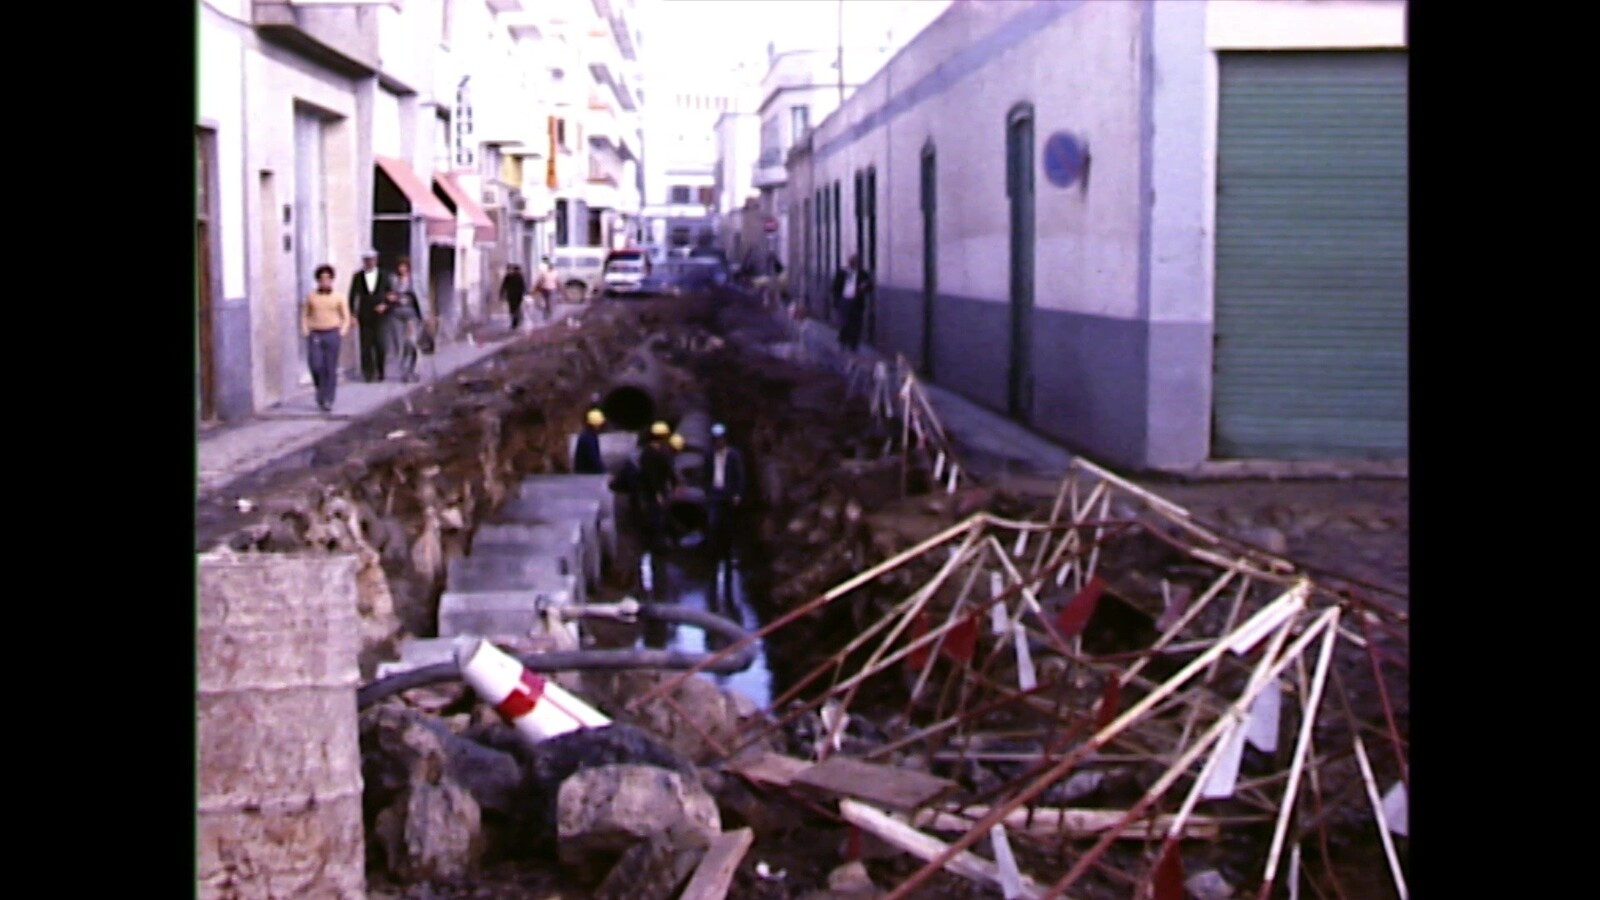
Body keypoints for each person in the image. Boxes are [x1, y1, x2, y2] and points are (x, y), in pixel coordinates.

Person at [301, 264, 352, 412]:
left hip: (332, 333)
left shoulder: (338, 297)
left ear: (332, 280)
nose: (325, 282)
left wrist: (342, 331)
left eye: (328, 279)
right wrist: (305, 329)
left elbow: (345, 316)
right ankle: (320, 390)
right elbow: (305, 314)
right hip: (315, 333)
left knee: (330, 367)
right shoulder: (311, 296)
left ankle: (328, 398)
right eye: (322, 279)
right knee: (316, 365)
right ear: (318, 280)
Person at [704, 422, 746, 559]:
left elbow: (740, 475)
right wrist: (707, 491)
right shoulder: (709, 454)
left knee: (727, 526)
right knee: (713, 524)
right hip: (714, 494)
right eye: (716, 439)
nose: (718, 441)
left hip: (728, 495)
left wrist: (737, 494)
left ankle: (727, 553)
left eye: (720, 438)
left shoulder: (734, 455)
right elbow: (706, 474)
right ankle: (714, 554)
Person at [350, 249, 391, 381]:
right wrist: (352, 314)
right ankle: (368, 373)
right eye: (367, 260)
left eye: (372, 259)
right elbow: (352, 295)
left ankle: (380, 371)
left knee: (380, 343)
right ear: (364, 261)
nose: (370, 262)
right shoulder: (358, 276)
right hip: (364, 313)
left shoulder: (384, 275)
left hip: (380, 314)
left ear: (376, 260)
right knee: (365, 345)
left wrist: (385, 305)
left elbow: (391, 294)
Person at [637, 421, 679, 551]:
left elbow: (668, 469)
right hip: (653, 492)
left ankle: (659, 542)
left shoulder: (660, 452)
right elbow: (651, 476)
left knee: (660, 516)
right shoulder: (650, 454)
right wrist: (657, 493)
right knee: (656, 518)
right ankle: (657, 545)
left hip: (659, 490)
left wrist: (675, 483)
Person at [386, 256, 425, 383]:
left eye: (404, 266)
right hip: (396, 315)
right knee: (399, 345)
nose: (401, 269)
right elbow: (386, 294)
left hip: (411, 315)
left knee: (411, 342)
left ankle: (413, 369)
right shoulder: (392, 280)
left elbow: (422, 297)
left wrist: (425, 315)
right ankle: (404, 372)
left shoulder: (414, 280)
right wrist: (392, 298)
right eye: (399, 266)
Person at [831, 253, 874, 352]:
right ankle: (843, 341)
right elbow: (835, 287)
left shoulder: (862, 274)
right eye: (852, 261)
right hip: (844, 300)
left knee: (856, 323)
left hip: (856, 302)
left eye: (856, 262)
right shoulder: (842, 273)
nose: (854, 263)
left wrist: (865, 287)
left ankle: (853, 344)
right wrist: (837, 301)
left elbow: (870, 286)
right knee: (844, 322)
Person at [574, 408, 607, 474]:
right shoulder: (589, 438)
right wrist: (604, 472)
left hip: (582, 474)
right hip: (587, 475)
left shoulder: (588, 435)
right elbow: (594, 459)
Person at [500, 263, 528, 331]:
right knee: (516, 308)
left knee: (512, 309)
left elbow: (503, 286)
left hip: (511, 295)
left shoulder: (508, 276)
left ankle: (515, 322)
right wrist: (525, 293)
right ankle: (516, 322)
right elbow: (523, 286)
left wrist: (501, 294)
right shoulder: (519, 276)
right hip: (517, 295)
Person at [535, 257, 560, 321]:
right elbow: (540, 281)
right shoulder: (554, 272)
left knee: (548, 301)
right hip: (548, 289)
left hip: (548, 289)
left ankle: (547, 313)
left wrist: (536, 288)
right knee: (548, 301)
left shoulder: (550, 272)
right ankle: (548, 313)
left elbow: (540, 281)